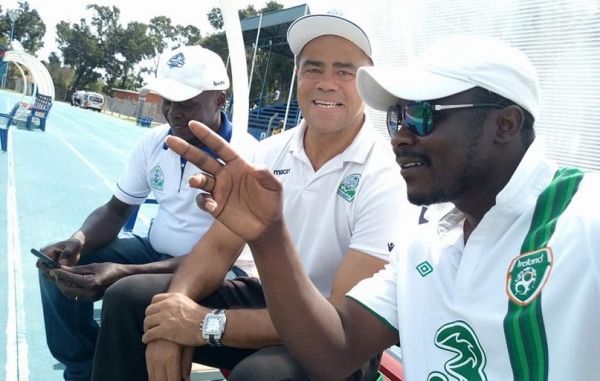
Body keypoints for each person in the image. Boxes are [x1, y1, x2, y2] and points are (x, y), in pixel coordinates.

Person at [166, 35, 600, 380]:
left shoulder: (582, 218)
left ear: (504, 124)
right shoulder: (426, 247)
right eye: (397, 117)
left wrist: (201, 323)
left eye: (423, 115)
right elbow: (333, 350)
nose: (400, 135)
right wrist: (268, 237)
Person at [91, 14, 419, 381]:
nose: (327, 84)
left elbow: (341, 314)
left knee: (261, 375)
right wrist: (175, 310)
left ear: (365, 81)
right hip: (270, 297)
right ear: (298, 76)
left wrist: (204, 324)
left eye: (344, 71)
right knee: (129, 299)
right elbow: (216, 248)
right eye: (314, 69)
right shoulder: (268, 153)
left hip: (340, 337)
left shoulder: (387, 175)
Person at [37, 45, 256, 381]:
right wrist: (78, 239)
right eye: (167, 100)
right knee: (57, 267)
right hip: (154, 251)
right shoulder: (154, 143)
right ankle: (82, 369)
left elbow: (218, 258)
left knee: (125, 291)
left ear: (219, 100)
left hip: (220, 272)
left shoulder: (247, 157)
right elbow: (116, 209)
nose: (172, 111)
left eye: (185, 102)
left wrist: (126, 270)